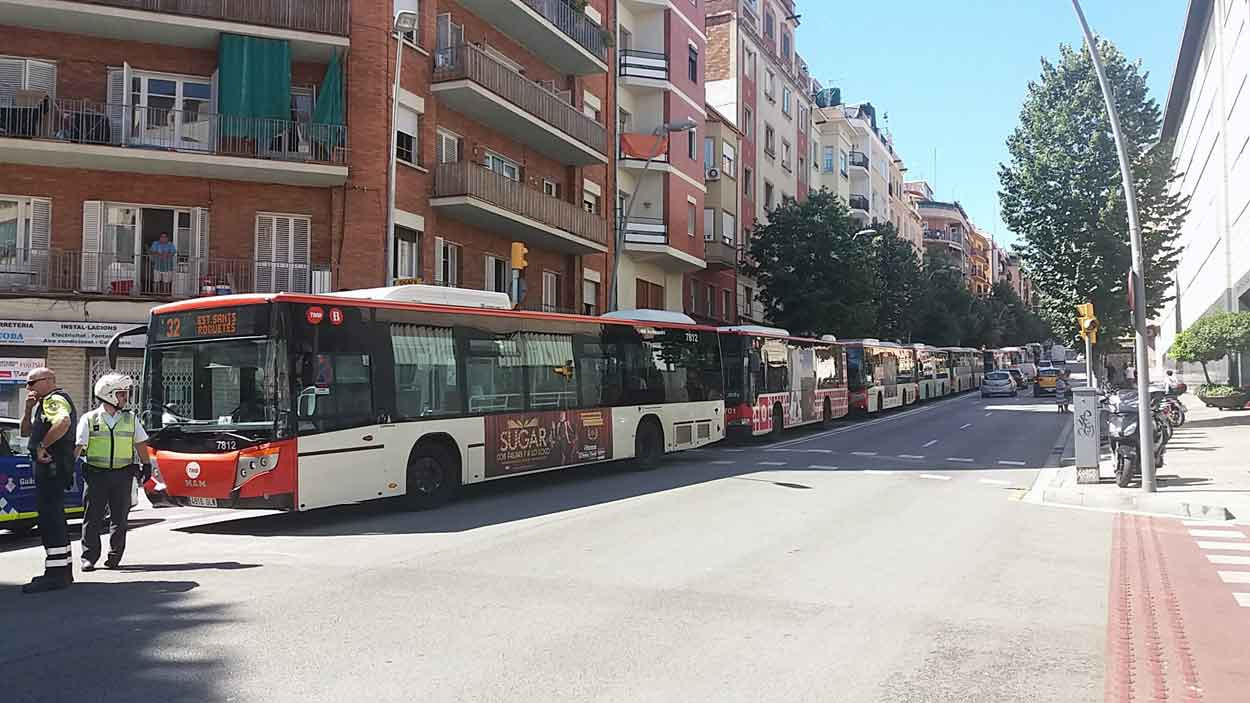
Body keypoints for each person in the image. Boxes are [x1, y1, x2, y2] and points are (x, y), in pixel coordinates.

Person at [75, 373, 151, 571]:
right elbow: (78, 446)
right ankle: (89, 557)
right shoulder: (89, 419)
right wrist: (68, 468)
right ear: (109, 395)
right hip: (96, 475)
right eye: (122, 394)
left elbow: (141, 443)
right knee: (92, 517)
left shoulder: (130, 419)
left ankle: (115, 556)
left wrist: (146, 464)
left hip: (122, 475)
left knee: (120, 518)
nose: (126, 398)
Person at [19, 367, 78, 593]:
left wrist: (43, 445)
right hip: (53, 469)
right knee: (54, 517)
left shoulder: (54, 400)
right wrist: (27, 408)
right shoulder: (41, 405)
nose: (28, 388)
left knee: (49, 519)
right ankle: (63, 570)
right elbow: (25, 432)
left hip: (52, 468)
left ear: (48, 381)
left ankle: (55, 575)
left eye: (32, 383)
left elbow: (63, 422)